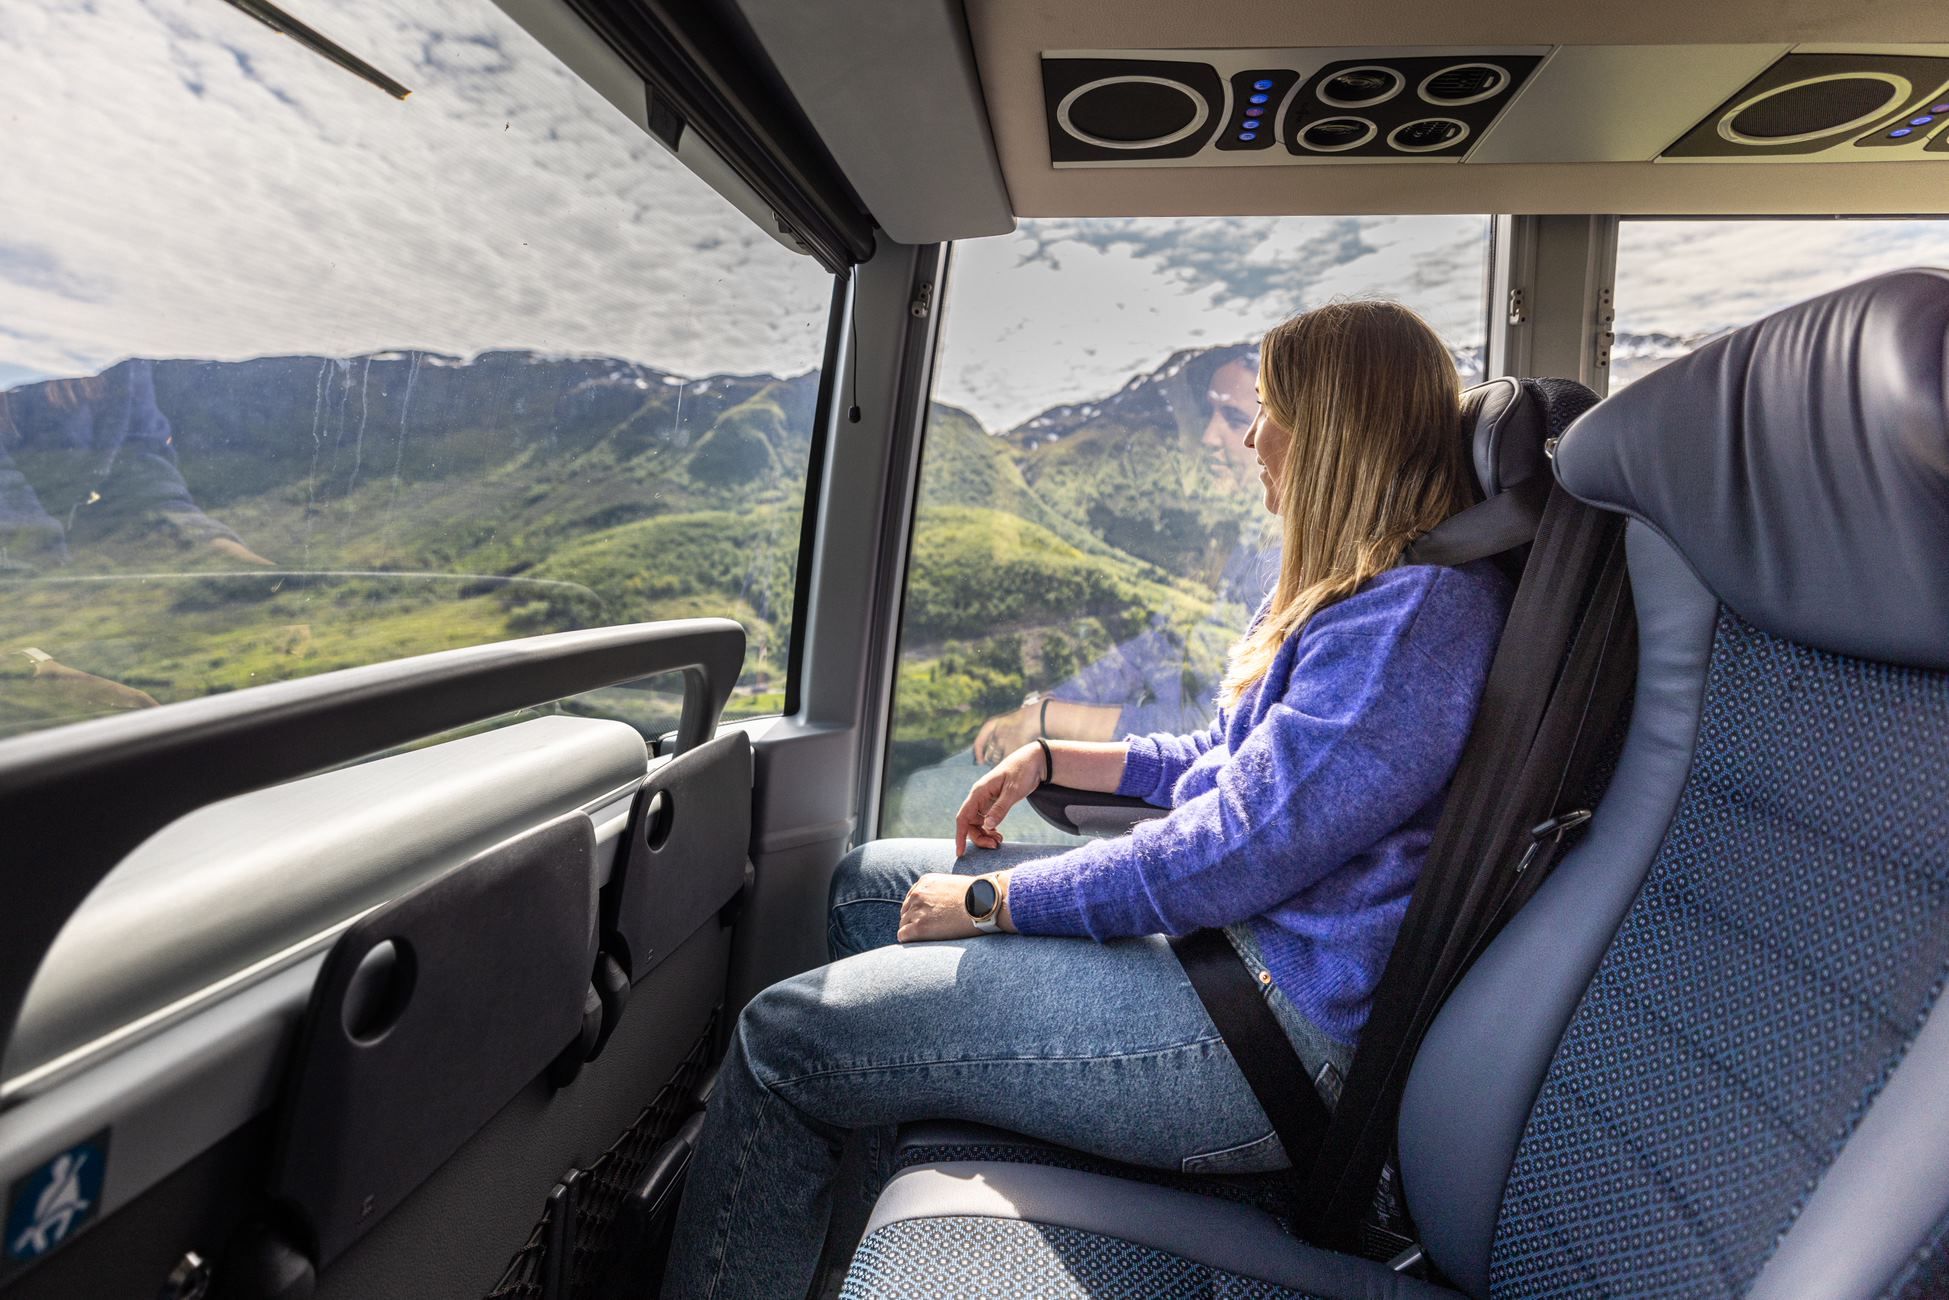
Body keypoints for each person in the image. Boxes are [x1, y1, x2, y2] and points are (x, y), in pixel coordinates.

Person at [662, 301, 1512, 1299]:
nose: (1250, 436)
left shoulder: (1411, 625)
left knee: (780, 1040)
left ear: (1333, 431)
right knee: (863, 887)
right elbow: (1223, 764)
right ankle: (842, 1252)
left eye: (1270, 411)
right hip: (1230, 952)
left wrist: (992, 903)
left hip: (1268, 1027)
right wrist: (1053, 760)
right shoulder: (1359, 593)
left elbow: (1227, 851)